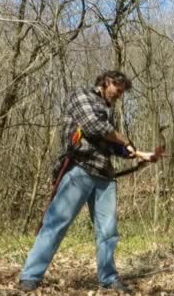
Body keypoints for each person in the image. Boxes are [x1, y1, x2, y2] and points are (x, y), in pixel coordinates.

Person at [19, 70, 152, 293]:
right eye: (118, 90)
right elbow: (94, 127)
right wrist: (126, 140)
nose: (119, 95)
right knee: (56, 224)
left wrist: (140, 154)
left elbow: (113, 145)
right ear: (107, 82)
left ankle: (109, 278)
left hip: (104, 176)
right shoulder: (81, 96)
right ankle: (30, 276)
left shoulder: (110, 111)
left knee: (108, 231)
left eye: (121, 93)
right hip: (78, 170)